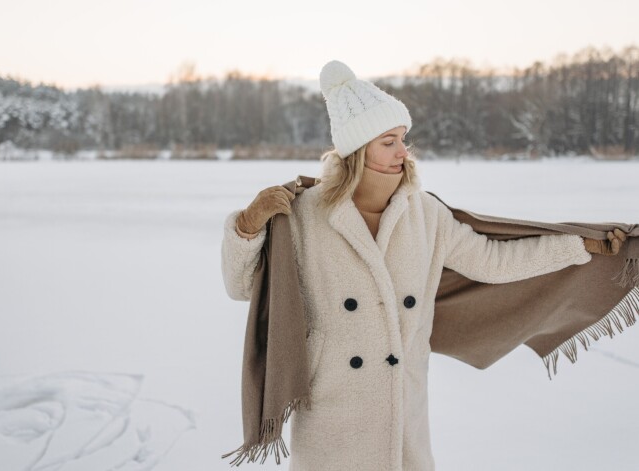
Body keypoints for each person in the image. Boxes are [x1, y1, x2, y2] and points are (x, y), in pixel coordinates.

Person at [220, 60, 626, 471]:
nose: (403, 151)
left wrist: (577, 247)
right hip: (331, 410)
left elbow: (494, 262)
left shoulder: (424, 214)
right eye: (389, 141)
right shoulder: (305, 215)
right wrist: (246, 228)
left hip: (402, 411)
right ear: (358, 149)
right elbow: (241, 288)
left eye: (403, 138)